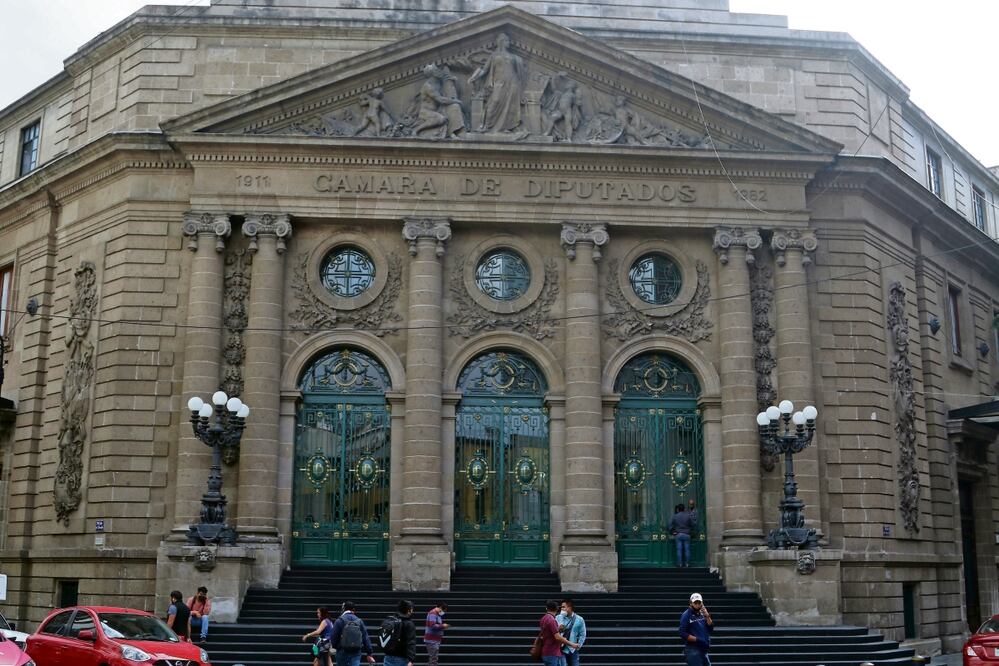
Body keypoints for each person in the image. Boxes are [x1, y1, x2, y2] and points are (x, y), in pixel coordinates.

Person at [468, 33, 525, 132]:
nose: (509, 43)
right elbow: (484, 69)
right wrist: (474, 77)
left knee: (510, 106)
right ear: (501, 42)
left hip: (512, 82)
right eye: (506, 41)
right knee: (494, 101)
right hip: (498, 83)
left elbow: (520, 72)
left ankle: (507, 127)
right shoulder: (494, 56)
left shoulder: (513, 57)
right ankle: (486, 126)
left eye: (508, 41)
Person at [330, 601, 376, 666]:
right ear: (353, 609)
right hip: (356, 651)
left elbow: (333, 637)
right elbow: (365, 637)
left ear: (343, 609)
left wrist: (335, 647)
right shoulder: (359, 621)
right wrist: (369, 653)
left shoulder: (339, 620)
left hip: (342, 650)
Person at [539, 599, 578, 666]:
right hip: (552, 652)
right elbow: (557, 637)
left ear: (546, 608)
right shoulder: (552, 620)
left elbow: (548, 633)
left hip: (546, 651)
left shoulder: (544, 618)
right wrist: (572, 644)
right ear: (557, 609)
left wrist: (558, 629)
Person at [679, 593, 713, 666]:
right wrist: (698, 640)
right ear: (691, 603)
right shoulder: (686, 615)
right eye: (695, 603)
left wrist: (707, 616)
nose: (697, 604)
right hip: (692, 649)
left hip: (703, 649)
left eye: (699, 602)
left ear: (702, 603)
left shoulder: (703, 613)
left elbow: (711, 628)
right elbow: (682, 633)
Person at [381, 599, 417, 666]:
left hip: (388, 656)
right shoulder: (408, 623)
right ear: (408, 610)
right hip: (402, 658)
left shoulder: (390, 620)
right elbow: (410, 642)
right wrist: (411, 659)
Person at [556, 599, 586, 666]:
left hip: (573, 649)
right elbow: (554, 632)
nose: (561, 609)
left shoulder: (579, 619)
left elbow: (583, 634)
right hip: (561, 649)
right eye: (561, 607)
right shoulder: (558, 618)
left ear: (570, 608)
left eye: (563, 607)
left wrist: (579, 645)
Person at [669, 502, 695, 567]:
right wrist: (691, 531)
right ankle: (687, 564)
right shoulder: (688, 515)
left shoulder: (675, 516)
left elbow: (669, 525)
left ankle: (680, 564)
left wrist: (673, 532)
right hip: (687, 534)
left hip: (678, 534)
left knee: (679, 549)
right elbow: (693, 524)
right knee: (687, 549)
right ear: (684, 509)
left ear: (678, 509)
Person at [423, 602, 449, 666]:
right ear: (440, 607)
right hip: (432, 640)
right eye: (444, 610)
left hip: (434, 640)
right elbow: (432, 625)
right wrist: (443, 626)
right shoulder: (433, 613)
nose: (443, 612)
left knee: (433, 659)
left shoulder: (437, 614)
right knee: (433, 659)